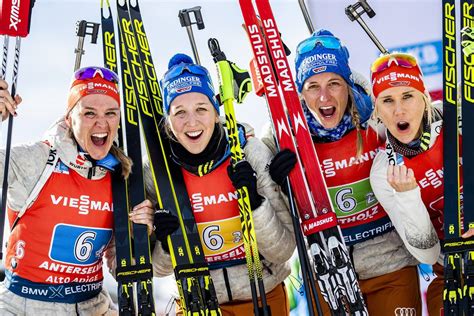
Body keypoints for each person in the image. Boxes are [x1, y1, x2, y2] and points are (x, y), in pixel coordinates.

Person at [261, 29, 440, 315]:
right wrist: (280, 184)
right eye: (312, 86)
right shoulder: (283, 137)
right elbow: (275, 213)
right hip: (328, 272)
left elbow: (423, 128)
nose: (324, 96)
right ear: (300, 92)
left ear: (347, 84)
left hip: (390, 265)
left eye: (334, 83)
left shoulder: (378, 116)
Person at [148, 53, 295, 316]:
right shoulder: (158, 173)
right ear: (167, 120)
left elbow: (283, 251)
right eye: (179, 112)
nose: (192, 123)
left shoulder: (247, 153)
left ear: (216, 113)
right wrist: (167, 242)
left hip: (261, 295)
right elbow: (158, 270)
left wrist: (256, 205)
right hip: (198, 302)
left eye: (201, 109)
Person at [0, 67, 155, 315]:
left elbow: (120, 265)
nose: (101, 123)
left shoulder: (122, 173)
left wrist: (142, 237)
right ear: (70, 117)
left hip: (92, 306)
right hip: (23, 305)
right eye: (89, 113)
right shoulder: (37, 159)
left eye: (111, 113)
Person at [368, 51, 474, 316]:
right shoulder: (384, 171)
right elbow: (427, 255)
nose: (399, 110)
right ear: (377, 109)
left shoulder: (460, 122)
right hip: (454, 271)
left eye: (407, 96)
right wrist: (407, 197)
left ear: (425, 98)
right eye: (387, 100)